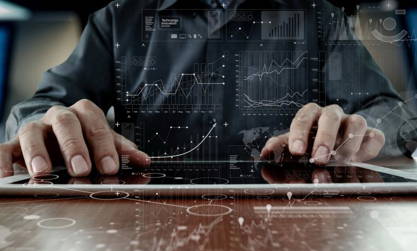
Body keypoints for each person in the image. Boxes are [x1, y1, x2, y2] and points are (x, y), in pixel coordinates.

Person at [0, 0, 413, 178]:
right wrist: (44, 125)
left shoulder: (318, 16)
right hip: (142, 223)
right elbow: (41, 108)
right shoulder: (118, 20)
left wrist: (358, 132)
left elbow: (389, 114)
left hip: (299, 217)